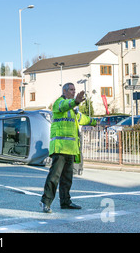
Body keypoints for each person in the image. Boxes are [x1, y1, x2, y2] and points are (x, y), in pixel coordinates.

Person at [40, 83, 97, 213]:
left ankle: (65, 202)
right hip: (60, 148)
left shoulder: (73, 110)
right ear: (64, 91)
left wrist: (95, 122)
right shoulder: (59, 103)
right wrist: (75, 102)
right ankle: (46, 202)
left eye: (74, 90)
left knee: (67, 178)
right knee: (54, 177)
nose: (73, 92)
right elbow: (64, 106)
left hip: (70, 149)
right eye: (71, 90)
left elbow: (82, 118)